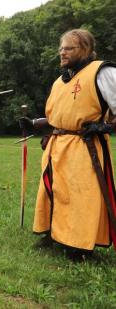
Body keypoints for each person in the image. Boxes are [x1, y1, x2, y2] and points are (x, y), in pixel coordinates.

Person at [20, 29, 116, 258]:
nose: (62, 53)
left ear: (85, 49)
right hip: (56, 145)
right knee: (54, 190)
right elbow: (58, 118)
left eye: (68, 48)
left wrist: (104, 127)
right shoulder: (59, 82)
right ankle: (53, 234)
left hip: (85, 146)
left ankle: (79, 245)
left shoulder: (102, 72)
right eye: (61, 48)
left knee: (81, 195)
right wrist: (34, 123)